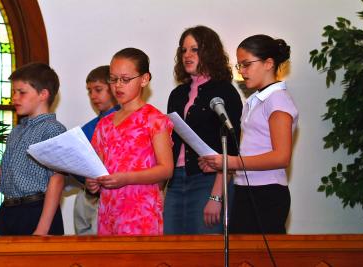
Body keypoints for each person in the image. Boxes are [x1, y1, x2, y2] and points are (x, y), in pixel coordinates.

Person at [199, 34, 299, 234]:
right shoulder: (255, 101)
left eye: (247, 65)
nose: (242, 72)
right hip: (245, 189)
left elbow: (281, 157)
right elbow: (251, 150)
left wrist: (231, 162)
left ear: (268, 63)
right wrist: (219, 162)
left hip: (267, 192)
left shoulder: (277, 100)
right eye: (239, 66)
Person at [85, 48, 174, 235]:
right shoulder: (105, 123)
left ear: (144, 79)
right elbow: (97, 166)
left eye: (125, 80)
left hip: (140, 211)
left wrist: (126, 178)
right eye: (113, 79)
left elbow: (166, 168)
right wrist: (92, 181)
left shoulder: (154, 119)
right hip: (108, 210)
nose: (118, 85)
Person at [164, 25, 243, 234]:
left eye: (194, 49)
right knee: (170, 249)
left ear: (209, 52)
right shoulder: (177, 94)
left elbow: (231, 150)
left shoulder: (225, 91)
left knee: (204, 252)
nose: (187, 55)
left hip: (207, 182)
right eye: (183, 50)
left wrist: (216, 196)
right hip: (175, 181)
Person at [0, 62, 66, 235]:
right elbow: (5, 183)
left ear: (43, 94)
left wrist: (42, 230)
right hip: (9, 211)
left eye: (21, 92)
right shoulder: (16, 131)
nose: (15, 98)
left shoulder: (52, 129)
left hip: (36, 212)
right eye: (13, 92)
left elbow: (57, 179)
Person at [73, 65, 119, 235]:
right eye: (89, 91)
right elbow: (76, 163)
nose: (93, 96)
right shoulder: (88, 128)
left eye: (98, 90)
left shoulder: (124, 121)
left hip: (116, 199)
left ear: (114, 88)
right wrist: (85, 179)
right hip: (90, 196)